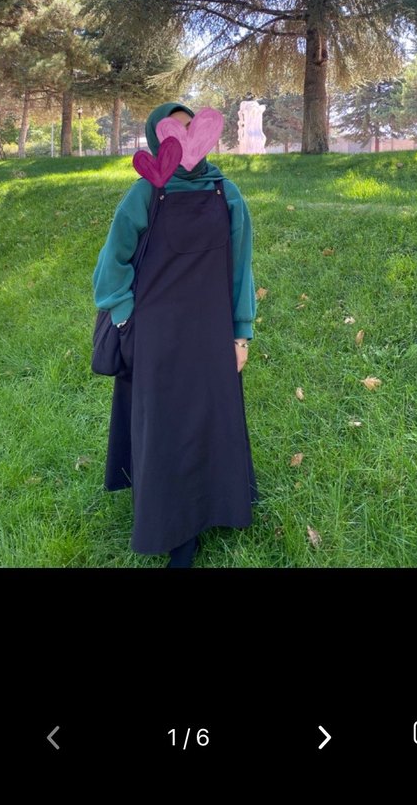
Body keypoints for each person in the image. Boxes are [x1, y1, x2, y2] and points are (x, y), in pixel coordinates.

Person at [93, 101, 258, 568]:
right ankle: (176, 530)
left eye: (192, 129)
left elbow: (240, 269)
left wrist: (240, 334)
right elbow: (111, 265)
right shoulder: (145, 193)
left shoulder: (226, 193)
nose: (185, 139)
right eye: (174, 131)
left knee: (211, 420)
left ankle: (220, 502)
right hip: (157, 337)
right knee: (166, 427)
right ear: (156, 139)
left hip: (210, 334)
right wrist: (126, 319)